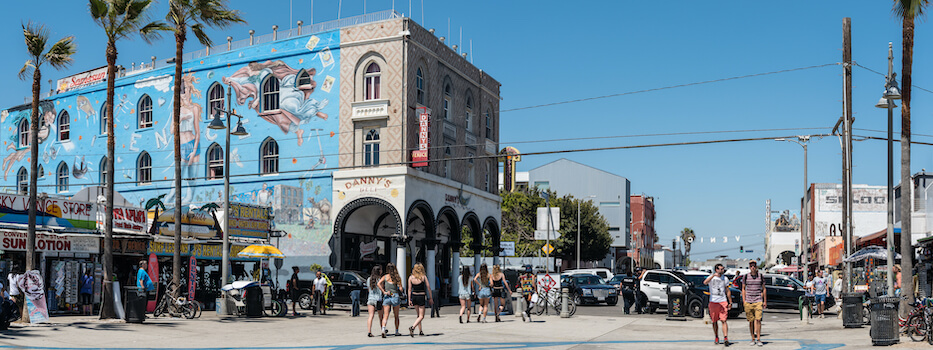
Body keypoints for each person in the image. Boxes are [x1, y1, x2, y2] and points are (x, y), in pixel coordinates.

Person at [704, 263, 731, 346]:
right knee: (714, 321)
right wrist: (713, 275)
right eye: (721, 269)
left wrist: (730, 301)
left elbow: (727, 290)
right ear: (716, 269)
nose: (722, 270)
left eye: (723, 269)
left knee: (724, 320)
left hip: (722, 301)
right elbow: (705, 282)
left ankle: (725, 337)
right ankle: (716, 336)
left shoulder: (725, 279)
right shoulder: (711, 278)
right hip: (713, 301)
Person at [741, 261, 766, 347]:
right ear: (749, 267)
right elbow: (743, 288)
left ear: (756, 267)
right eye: (751, 266)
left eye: (754, 266)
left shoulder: (761, 276)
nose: (753, 267)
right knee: (751, 321)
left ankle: (758, 339)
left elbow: (764, 289)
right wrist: (744, 300)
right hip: (748, 301)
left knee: (758, 320)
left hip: (758, 300)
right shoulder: (746, 277)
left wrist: (764, 301)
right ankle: (752, 338)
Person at [378, 263, 404, 338]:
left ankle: (383, 329)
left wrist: (384, 291)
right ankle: (396, 331)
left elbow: (379, 284)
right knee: (396, 316)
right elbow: (401, 288)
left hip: (387, 296)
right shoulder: (397, 277)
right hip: (395, 296)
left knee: (385, 315)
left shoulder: (385, 277)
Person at [407, 263, 432, 337]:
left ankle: (420, 331)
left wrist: (409, 299)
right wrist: (430, 297)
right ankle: (413, 327)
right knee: (421, 316)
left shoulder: (411, 278)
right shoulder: (423, 277)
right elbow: (428, 288)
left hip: (414, 296)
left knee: (418, 315)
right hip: (421, 296)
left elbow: (409, 289)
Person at [365, 265, 384, 337]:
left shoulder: (369, 279)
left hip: (370, 299)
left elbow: (368, 289)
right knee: (381, 317)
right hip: (378, 299)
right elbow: (382, 289)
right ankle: (382, 329)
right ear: (379, 271)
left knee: (371, 316)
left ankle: (369, 331)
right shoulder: (380, 279)